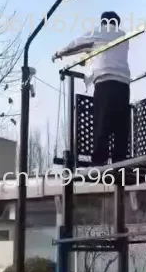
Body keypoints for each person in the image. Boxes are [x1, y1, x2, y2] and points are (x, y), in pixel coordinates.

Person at [53, 12, 131, 166]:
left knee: (102, 123)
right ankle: (120, 160)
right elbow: (105, 52)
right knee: (120, 126)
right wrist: (88, 58)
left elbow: (78, 44)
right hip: (123, 84)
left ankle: (99, 161)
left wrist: (59, 53)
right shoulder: (123, 36)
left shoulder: (100, 31)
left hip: (105, 82)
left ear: (103, 22)